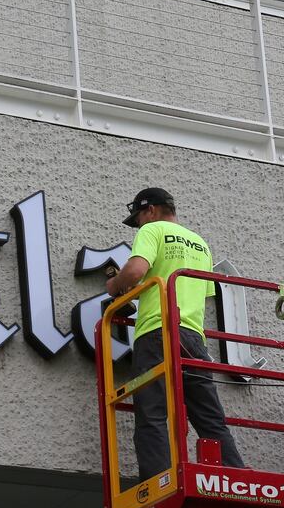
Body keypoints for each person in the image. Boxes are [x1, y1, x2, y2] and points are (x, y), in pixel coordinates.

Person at [105, 188, 245, 478]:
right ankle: (235, 477)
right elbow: (201, 294)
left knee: (152, 411)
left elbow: (134, 271)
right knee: (209, 416)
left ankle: (157, 479)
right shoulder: (201, 244)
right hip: (193, 337)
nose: (140, 225)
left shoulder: (153, 230)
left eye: (139, 218)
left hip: (157, 331)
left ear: (151, 211)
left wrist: (115, 285)